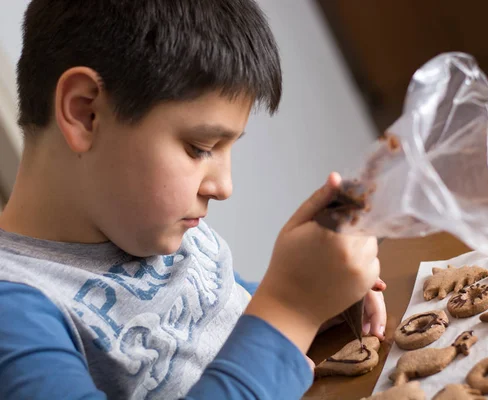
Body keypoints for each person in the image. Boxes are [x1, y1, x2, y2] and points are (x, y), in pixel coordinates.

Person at [0, 0, 385, 399]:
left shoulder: (146, 224)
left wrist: (320, 297)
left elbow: (213, 322)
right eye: (200, 147)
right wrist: (291, 310)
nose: (223, 185)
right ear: (86, 113)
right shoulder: (14, 320)